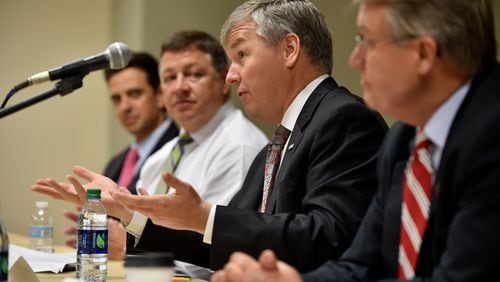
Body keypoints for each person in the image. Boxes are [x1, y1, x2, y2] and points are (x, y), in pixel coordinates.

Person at [211, 0, 500, 281]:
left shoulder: (491, 135)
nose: (355, 59)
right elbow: (360, 266)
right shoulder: (404, 138)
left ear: (423, 54)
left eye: (368, 41)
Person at [110, 0, 387, 273]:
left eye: (241, 55)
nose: (230, 75)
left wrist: (204, 216)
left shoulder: (344, 118)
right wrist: (133, 219)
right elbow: (228, 239)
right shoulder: (277, 142)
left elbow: (329, 236)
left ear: (289, 50)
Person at [32, 30, 268, 279]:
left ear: (223, 81)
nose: (179, 87)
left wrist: (127, 247)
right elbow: (143, 229)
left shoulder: (239, 147)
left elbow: (213, 256)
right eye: (169, 77)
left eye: (194, 74)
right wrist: (119, 207)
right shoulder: (164, 154)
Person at [62, 52, 179, 260]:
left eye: (134, 94)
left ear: (160, 96)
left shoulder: (179, 151)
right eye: (117, 99)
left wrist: (125, 248)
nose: (124, 107)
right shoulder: (117, 162)